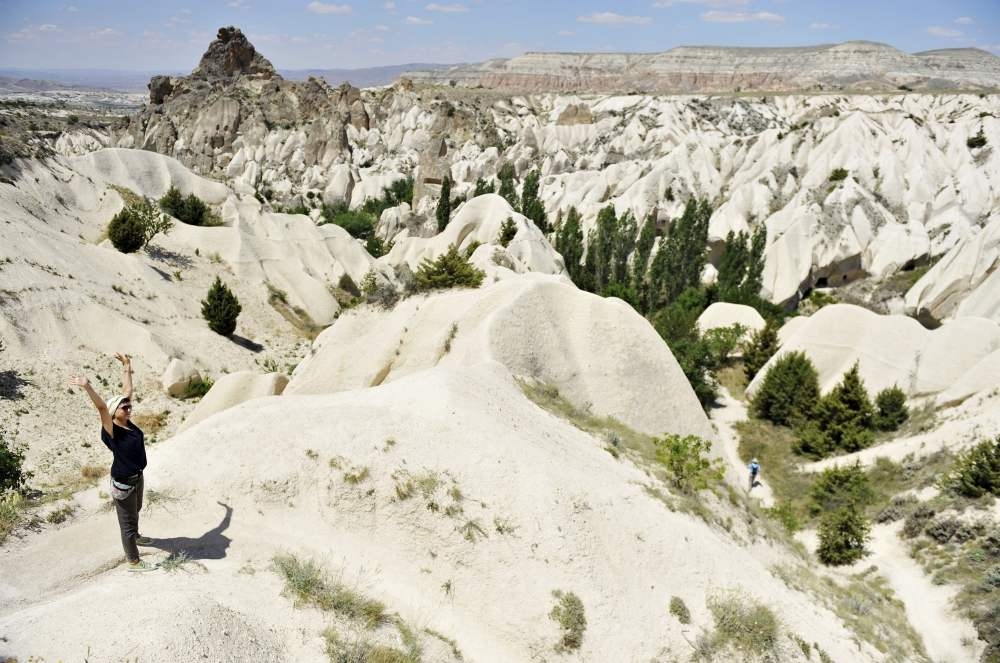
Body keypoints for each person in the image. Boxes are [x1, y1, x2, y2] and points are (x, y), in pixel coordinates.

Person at [69, 353, 157, 572]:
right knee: (126, 524)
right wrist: (87, 387)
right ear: (114, 412)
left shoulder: (127, 423)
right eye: (124, 407)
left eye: (129, 406)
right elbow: (101, 408)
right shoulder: (112, 430)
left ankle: (136, 537)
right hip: (124, 482)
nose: (128, 408)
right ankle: (134, 562)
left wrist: (127, 366)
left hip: (138, 477)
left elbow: (127, 391)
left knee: (135, 511)